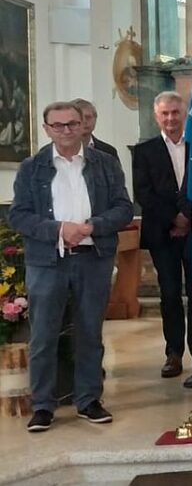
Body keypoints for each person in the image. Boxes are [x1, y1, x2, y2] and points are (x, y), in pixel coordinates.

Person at [12, 102, 133, 432]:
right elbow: (19, 215)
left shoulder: (105, 164)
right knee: (43, 335)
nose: (66, 130)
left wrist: (93, 225)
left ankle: (88, 399)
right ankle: (43, 405)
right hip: (47, 262)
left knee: (89, 333)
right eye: (58, 125)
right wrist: (59, 230)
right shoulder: (32, 167)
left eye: (72, 124)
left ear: (83, 126)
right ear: (46, 128)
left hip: (92, 259)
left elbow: (124, 207)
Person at [133, 91, 192, 387]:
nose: (171, 118)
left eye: (175, 112)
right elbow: (143, 193)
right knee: (169, 294)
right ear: (156, 117)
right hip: (163, 233)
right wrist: (175, 218)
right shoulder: (144, 151)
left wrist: (189, 218)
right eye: (164, 113)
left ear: (185, 114)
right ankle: (173, 352)